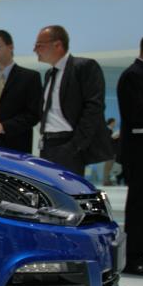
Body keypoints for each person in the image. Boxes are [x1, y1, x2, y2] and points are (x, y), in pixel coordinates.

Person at [34, 25, 113, 176]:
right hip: (47, 145)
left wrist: (75, 145)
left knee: (69, 189)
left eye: (39, 45)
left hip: (69, 144)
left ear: (57, 45)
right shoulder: (49, 74)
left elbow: (94, 107)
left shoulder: (84, 67)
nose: (35, 50)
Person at [117, 35, 143, 275]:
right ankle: (133, 257)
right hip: (138, 153)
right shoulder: (132, 75)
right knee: (137, 206)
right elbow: (135, 115)